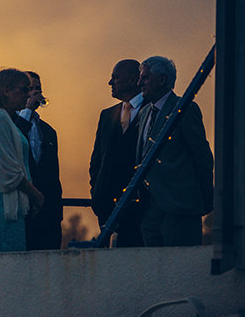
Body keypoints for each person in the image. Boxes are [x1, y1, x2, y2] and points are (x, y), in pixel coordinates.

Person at [135, 56, 214, 246]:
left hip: (180, 209)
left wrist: (204, 201)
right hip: (150, 210)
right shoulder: (145, 113)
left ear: (162, 79)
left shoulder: (186, 109)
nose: (139, 83)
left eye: (145, 78)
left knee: (181, 265)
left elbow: (202, 157)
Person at [0, 68, 45, 252]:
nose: (28, 95)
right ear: (6, 90)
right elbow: (8, 171)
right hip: (0, 206)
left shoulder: (4, 119)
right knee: (1, 267)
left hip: (10, 206)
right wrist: (36, 195)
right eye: (23, 89)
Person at [88, 59, 146, 247]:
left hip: (141, 207)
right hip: (107, 207)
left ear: (132, 80)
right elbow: (97, 159)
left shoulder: (151, 110)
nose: (110, 83)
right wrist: (97, 192)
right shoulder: (107, 115)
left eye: (115, 78)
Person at [13, 71, 63, 250]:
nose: (34, 93)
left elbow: (53, 174)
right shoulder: (9, 124)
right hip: (22, 210)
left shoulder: (49, 131)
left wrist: (57, 212)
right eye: (29, 88)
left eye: (38, 89)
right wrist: (26, 111)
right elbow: (15, 143)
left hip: (48, 214)